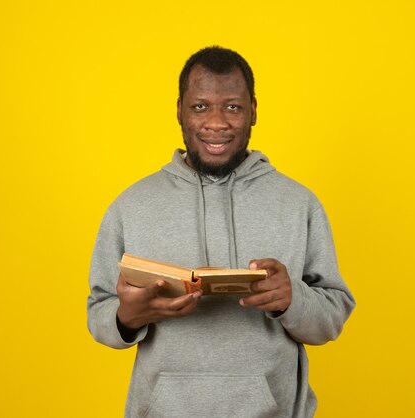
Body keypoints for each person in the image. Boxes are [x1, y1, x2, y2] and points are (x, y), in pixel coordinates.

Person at [87, 46, 355, 418]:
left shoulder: (299, 204)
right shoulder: (131, 205)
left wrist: (292, 299)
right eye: (200, 107)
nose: (217, 123)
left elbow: (332, 316)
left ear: (254, 111)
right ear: (179, 109)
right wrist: (127, 317)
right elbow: (99, 312)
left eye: (232, 106)